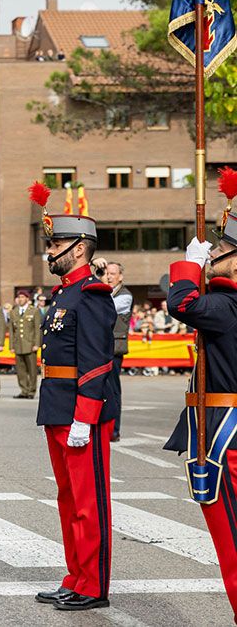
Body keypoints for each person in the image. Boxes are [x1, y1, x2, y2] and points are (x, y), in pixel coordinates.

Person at [29, 184, 117, 611]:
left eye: (58, 243)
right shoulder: (64, 293)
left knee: (89, 501)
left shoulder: (92, 295)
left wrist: (85, 417)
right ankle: (76, 576)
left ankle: (94, 585)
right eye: (51, 243)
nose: (51, 251)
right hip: (58, 405)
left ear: (80, 249)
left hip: (82, 412)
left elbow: (98, 361)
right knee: (68, 499)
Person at [163, 222, 237, 622]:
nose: (212, 253)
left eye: (221, 249)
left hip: (229, 440)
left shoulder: (226, 307)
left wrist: (189, 266)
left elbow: (183, 305)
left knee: (234, 547)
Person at [95, 261, 131, 441]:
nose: (108, 276)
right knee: (97, 388)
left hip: (115, 349)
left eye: (112, 273)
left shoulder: (125, 296)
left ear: (120, 277)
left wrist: (99, 283)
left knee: (114, 390)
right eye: (106, 273)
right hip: (99, 347)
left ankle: (114, 429)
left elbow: (105, 308)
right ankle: (101, 425)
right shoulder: (105, 292)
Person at [8, 289, 42, 399]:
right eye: (19, 297)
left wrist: (37, 344)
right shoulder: (14, 312)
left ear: (27, 299)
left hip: (30, 344)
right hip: (18, 345)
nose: (20, 299)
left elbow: (37, 329)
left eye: (23, 297)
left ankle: (31, 391)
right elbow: (12, 331)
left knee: (32, 370)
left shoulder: (34, 311)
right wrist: (11, 345)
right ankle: (23, 390)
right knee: (20, 370)